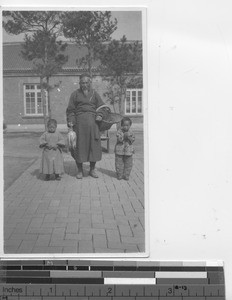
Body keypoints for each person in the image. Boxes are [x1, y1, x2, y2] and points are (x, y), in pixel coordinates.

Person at [66, 73, 106, 179]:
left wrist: (100, 115)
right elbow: (70, 110)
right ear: (79, 83)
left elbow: (102, 107)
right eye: (82, 82)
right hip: (79, 126)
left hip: (93, 125)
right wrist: (71, 121)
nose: (84, 85)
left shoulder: (95, 94)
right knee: (79, 147)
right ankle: (79, 170)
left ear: (90, 83)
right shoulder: (74, 94)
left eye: (86, 82)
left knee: (94, 147)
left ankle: (92, 169)